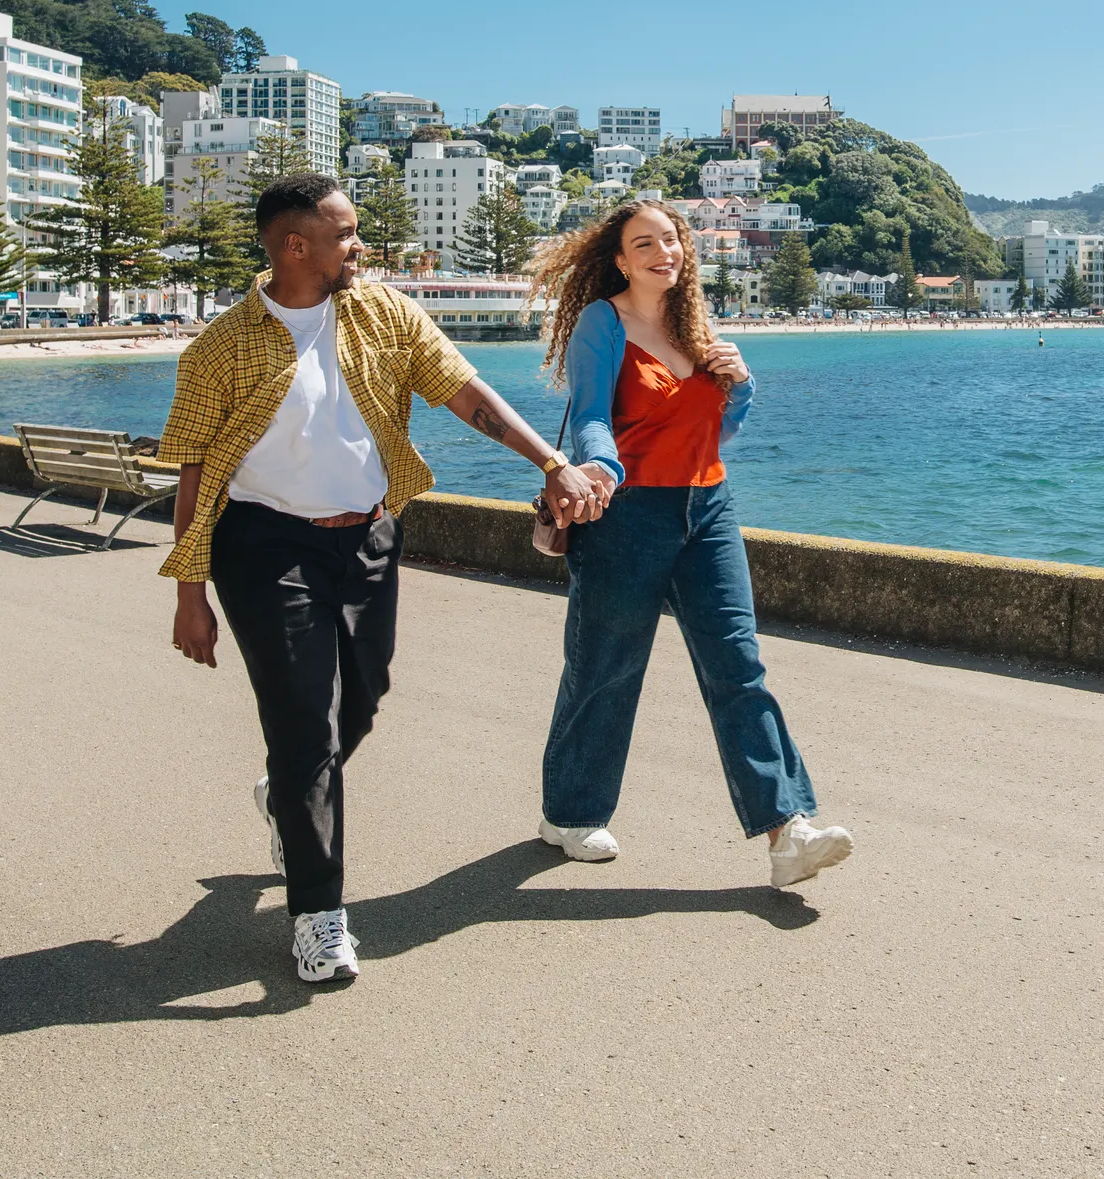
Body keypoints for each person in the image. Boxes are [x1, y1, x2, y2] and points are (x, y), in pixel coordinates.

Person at [158, 173, 603, 984]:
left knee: (360, 698)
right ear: (297, 246)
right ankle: (318, 916)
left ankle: (286, 793)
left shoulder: (384, 312)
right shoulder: (220, 347)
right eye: (345, 233)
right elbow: (192, 471)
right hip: (263, 548)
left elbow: (464, 391)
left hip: (366, 535)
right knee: (305, 723)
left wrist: (550, 460)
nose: (359, 244)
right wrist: (191, 592)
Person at [529, 199, 853, 890]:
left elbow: (717, 428)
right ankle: (570, 812)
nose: (662, 252)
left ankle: (787, 831)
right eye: (644, 243)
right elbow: (590, 415)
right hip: (624, 512)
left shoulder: (697, 327)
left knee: (739, 665)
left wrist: (743, 385)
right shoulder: (603, 322)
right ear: (621, 260)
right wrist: (601, 467)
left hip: (709, 508)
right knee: (605, 667)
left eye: (670, 239)